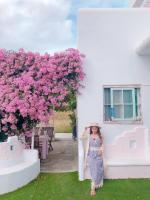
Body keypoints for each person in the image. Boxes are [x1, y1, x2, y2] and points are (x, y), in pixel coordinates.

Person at [80, 122, 104, 196]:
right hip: (90, 155)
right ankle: (92, 188)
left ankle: (96, 183)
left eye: (95, 128)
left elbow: (102, 145)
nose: (94, 129)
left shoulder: (100, 136)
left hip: (98, 155)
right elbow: (81, 138)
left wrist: (101, 150)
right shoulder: (89, 136)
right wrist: (85, 130)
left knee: (98, 170)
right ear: (91, 129)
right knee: (93, 170)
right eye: (93, 128)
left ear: (97, 129)